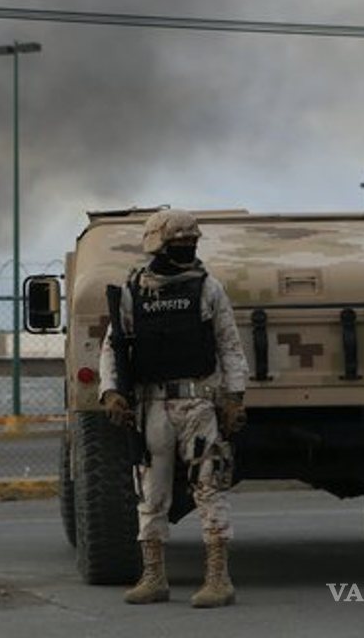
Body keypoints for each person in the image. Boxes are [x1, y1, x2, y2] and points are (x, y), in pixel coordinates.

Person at [98, 209, 250, 607]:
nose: (186, 250)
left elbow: (229, 346)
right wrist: (112, 392)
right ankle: (154, 578)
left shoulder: (208, 288)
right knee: (151, 493)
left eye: (191, 243)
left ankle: (219, 579)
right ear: (158, 245)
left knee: (208, 486)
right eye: (178, 244)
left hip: (198, 403)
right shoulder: (134, 289)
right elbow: (113, 348)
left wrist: (234, 398)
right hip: (151, 405)